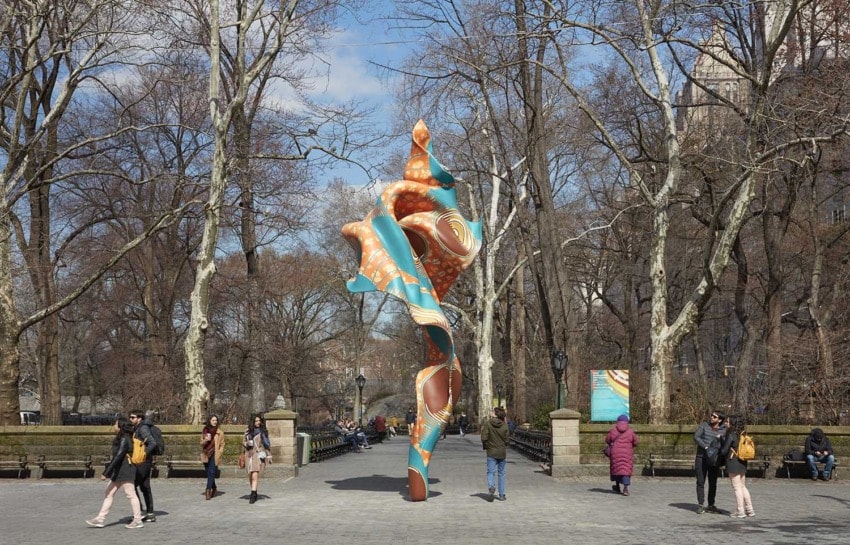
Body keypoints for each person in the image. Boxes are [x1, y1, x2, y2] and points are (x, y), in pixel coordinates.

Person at [86, 417, 144, 529]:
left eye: (116, 424)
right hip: (120, 469)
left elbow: (118, 456)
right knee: (109, 492)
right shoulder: (123, 438)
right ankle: (100, 519)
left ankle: (137, 520)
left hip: (126, 469)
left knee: (130, 494)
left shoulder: (124, 439)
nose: (114, 426)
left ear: (121, 427)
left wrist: (106, 472)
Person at [720, 415, 754, 518]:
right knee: (743, 486)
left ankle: (740, 511)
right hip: (742, 461)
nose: (725, 423)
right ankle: (750, 509)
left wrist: (721, 440)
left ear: (732, 424)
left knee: (737, 488)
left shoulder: (731, 435)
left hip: (733, 462)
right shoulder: (742, 434)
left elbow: (724, 451)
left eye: (727, 422)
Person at [693, 409, 726, 514]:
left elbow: (726, 443)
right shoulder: (704, 425)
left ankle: (711, 504)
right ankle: (700, 504)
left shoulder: (724, 429)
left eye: (714, 416)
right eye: (711, 415)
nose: (712, 417)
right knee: (700, 481)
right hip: (701, 457)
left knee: (713, 482)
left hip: (714, 459)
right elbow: (696, 437)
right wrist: (705, 446)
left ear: (720, 420)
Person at [129, 409, 156, 522]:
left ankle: (140, 511)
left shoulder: (143, 428)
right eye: (130, 417)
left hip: (143, 462)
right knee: (145, 486)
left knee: (132, 485)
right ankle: (150, 513)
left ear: (139, 418)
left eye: (133, 417)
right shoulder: (137, 428)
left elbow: (152, 443)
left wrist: (144, 454)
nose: (130, 419)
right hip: (144, 461)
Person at [606, 414, 639, 496]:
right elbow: (636, 442)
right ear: (627, 422)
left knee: (617, 469)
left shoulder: (613, 431)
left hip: (615, 453)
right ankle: (625, 489)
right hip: (627, 453)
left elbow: (607, 440)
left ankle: (617, 486)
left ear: (617, 422)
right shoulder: (631, 432)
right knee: (626, 469)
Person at [481, 406, 509, 502]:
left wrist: (487, 446)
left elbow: (484, 437)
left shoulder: (488, 424)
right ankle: (501, 494)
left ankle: (491, 486)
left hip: (491, 452)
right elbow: (507, 440)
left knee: (490, 472)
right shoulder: (505, 426)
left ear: (495, 414)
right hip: (502, 452)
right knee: (501, 473)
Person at [243, 413, 271, 504]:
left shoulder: (263, 432)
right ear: (252, 422)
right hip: (248, 455)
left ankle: (253, 494)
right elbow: (243, 442)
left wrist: (269, 455)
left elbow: (266, 445)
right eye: (256, 421)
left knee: (255, 475)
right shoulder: (247, 431)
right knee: (250, 475)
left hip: (258, 455)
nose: (258, 422)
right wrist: (246, 443)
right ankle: (254, 491)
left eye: (259, 420)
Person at [200, 414, 225, 500]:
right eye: (213, 420)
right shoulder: (205, 430)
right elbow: (201, 443)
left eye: (216, 420)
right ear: (209, 421)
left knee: (211, 471)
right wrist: (205, 440)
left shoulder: (220, 432)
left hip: (215, 453)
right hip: (206, 453)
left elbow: (222, 444)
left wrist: (220, 452)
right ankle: (214, 487)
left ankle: (208, 490)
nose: (215, 422)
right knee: (209, 472)